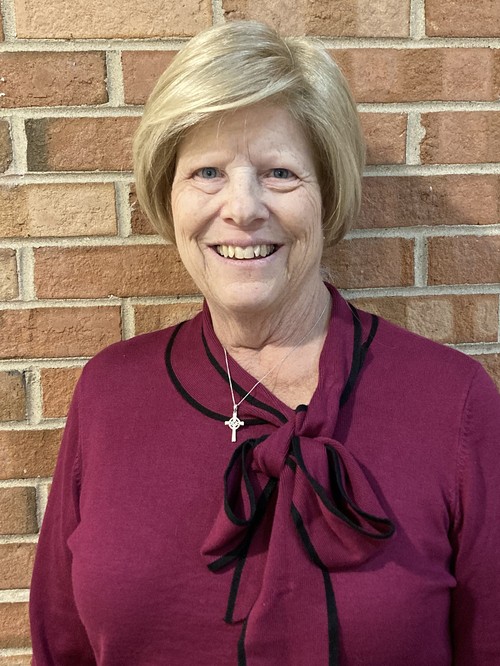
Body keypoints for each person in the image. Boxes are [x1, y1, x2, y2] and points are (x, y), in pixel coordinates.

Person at [29, 20, 500, 666]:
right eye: (207, 172)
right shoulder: (109, 395)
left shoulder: (454, 403)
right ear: (169, 196)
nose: (243, 207)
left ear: (327, 194)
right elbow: (61, 647)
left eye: (279, 172)